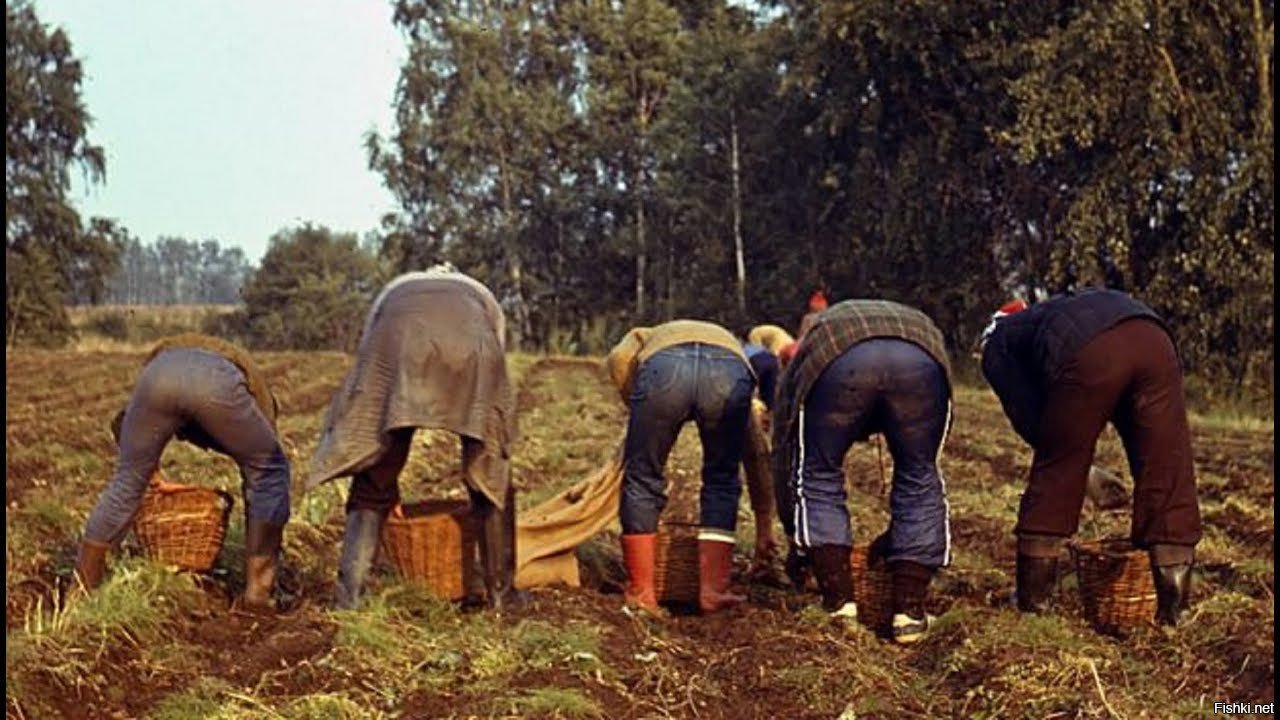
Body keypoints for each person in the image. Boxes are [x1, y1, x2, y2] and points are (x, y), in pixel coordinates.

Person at [979, 288, 1201, 626]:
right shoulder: (1054, 312)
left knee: (1057, 467)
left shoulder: (998, 343)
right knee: (1166, 464)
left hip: (1094, 350)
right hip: (1154, 338)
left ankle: (1033, 605)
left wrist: (1082, 469)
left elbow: (1035, 424)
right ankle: (1175, 611)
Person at [307, 265, 523, 611]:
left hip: (398, 343)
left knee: (374, 471)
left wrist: (385, 461)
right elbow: (496, 343)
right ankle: (503, 594)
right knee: (489, 468)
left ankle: (349, 598)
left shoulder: (394, 291)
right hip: (472, 349)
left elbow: (370, 347)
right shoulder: (481, 295)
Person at [772, 299, 953, 644]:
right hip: (921, 360)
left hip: (841, 364)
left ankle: (839, 606)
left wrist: (795, 538)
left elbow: (785, 445)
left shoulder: (817, 337)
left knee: (818, 473)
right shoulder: (914, 319)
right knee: (920, 474)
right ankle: (910, 614)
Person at [75, 334, 290, 609]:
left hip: (159, 375)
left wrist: (149, 472)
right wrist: (270, 545)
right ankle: (258, 595)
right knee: (272, 471)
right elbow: (263, 478)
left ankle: (82, 591)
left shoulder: (181, 351)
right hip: (214, 381)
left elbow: (123, 425)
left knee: (127, 483)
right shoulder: (261, 402)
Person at [606, 319, 772, 614]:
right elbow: (757, 456)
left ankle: (641, 593)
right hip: (725, 374)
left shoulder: (647, 335)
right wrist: (764, 528)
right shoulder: (733, 348)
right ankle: (714, 591)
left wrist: (637, 407)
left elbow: (618, 357)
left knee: (642, 476)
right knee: (722, 478)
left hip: (665, 371)